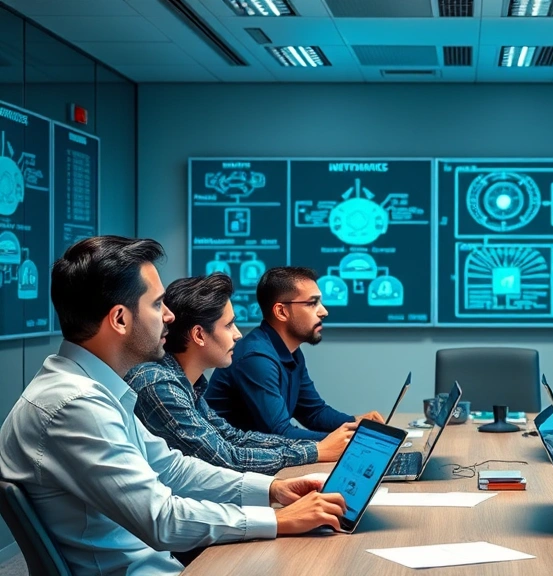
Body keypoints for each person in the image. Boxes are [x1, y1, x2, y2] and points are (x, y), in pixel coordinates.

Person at [0, 236, 349, 576]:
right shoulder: (75, 405)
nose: (169, 316)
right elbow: (161, 519)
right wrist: (278, 519)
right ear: (120, 319)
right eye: (156, 304)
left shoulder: (93, 389)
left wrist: (273, 489)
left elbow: (172, 469)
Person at [125, 273, 356, 475]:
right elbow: (227, 458)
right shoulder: (159, 384)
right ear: (199, 335)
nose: (237, 335)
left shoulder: (189, 385)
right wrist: (317, 449)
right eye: (229, 326)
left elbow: (235, 438)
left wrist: (325, 445)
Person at [205, 267, 383, 440]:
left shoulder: (291, 352)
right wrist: (342, 441)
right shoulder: (255, 357)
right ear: (281, 311)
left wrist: (356, 424)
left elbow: (313, 412)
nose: (324, 312)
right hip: (234, 463)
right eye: (312, 303)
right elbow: (278, 433)